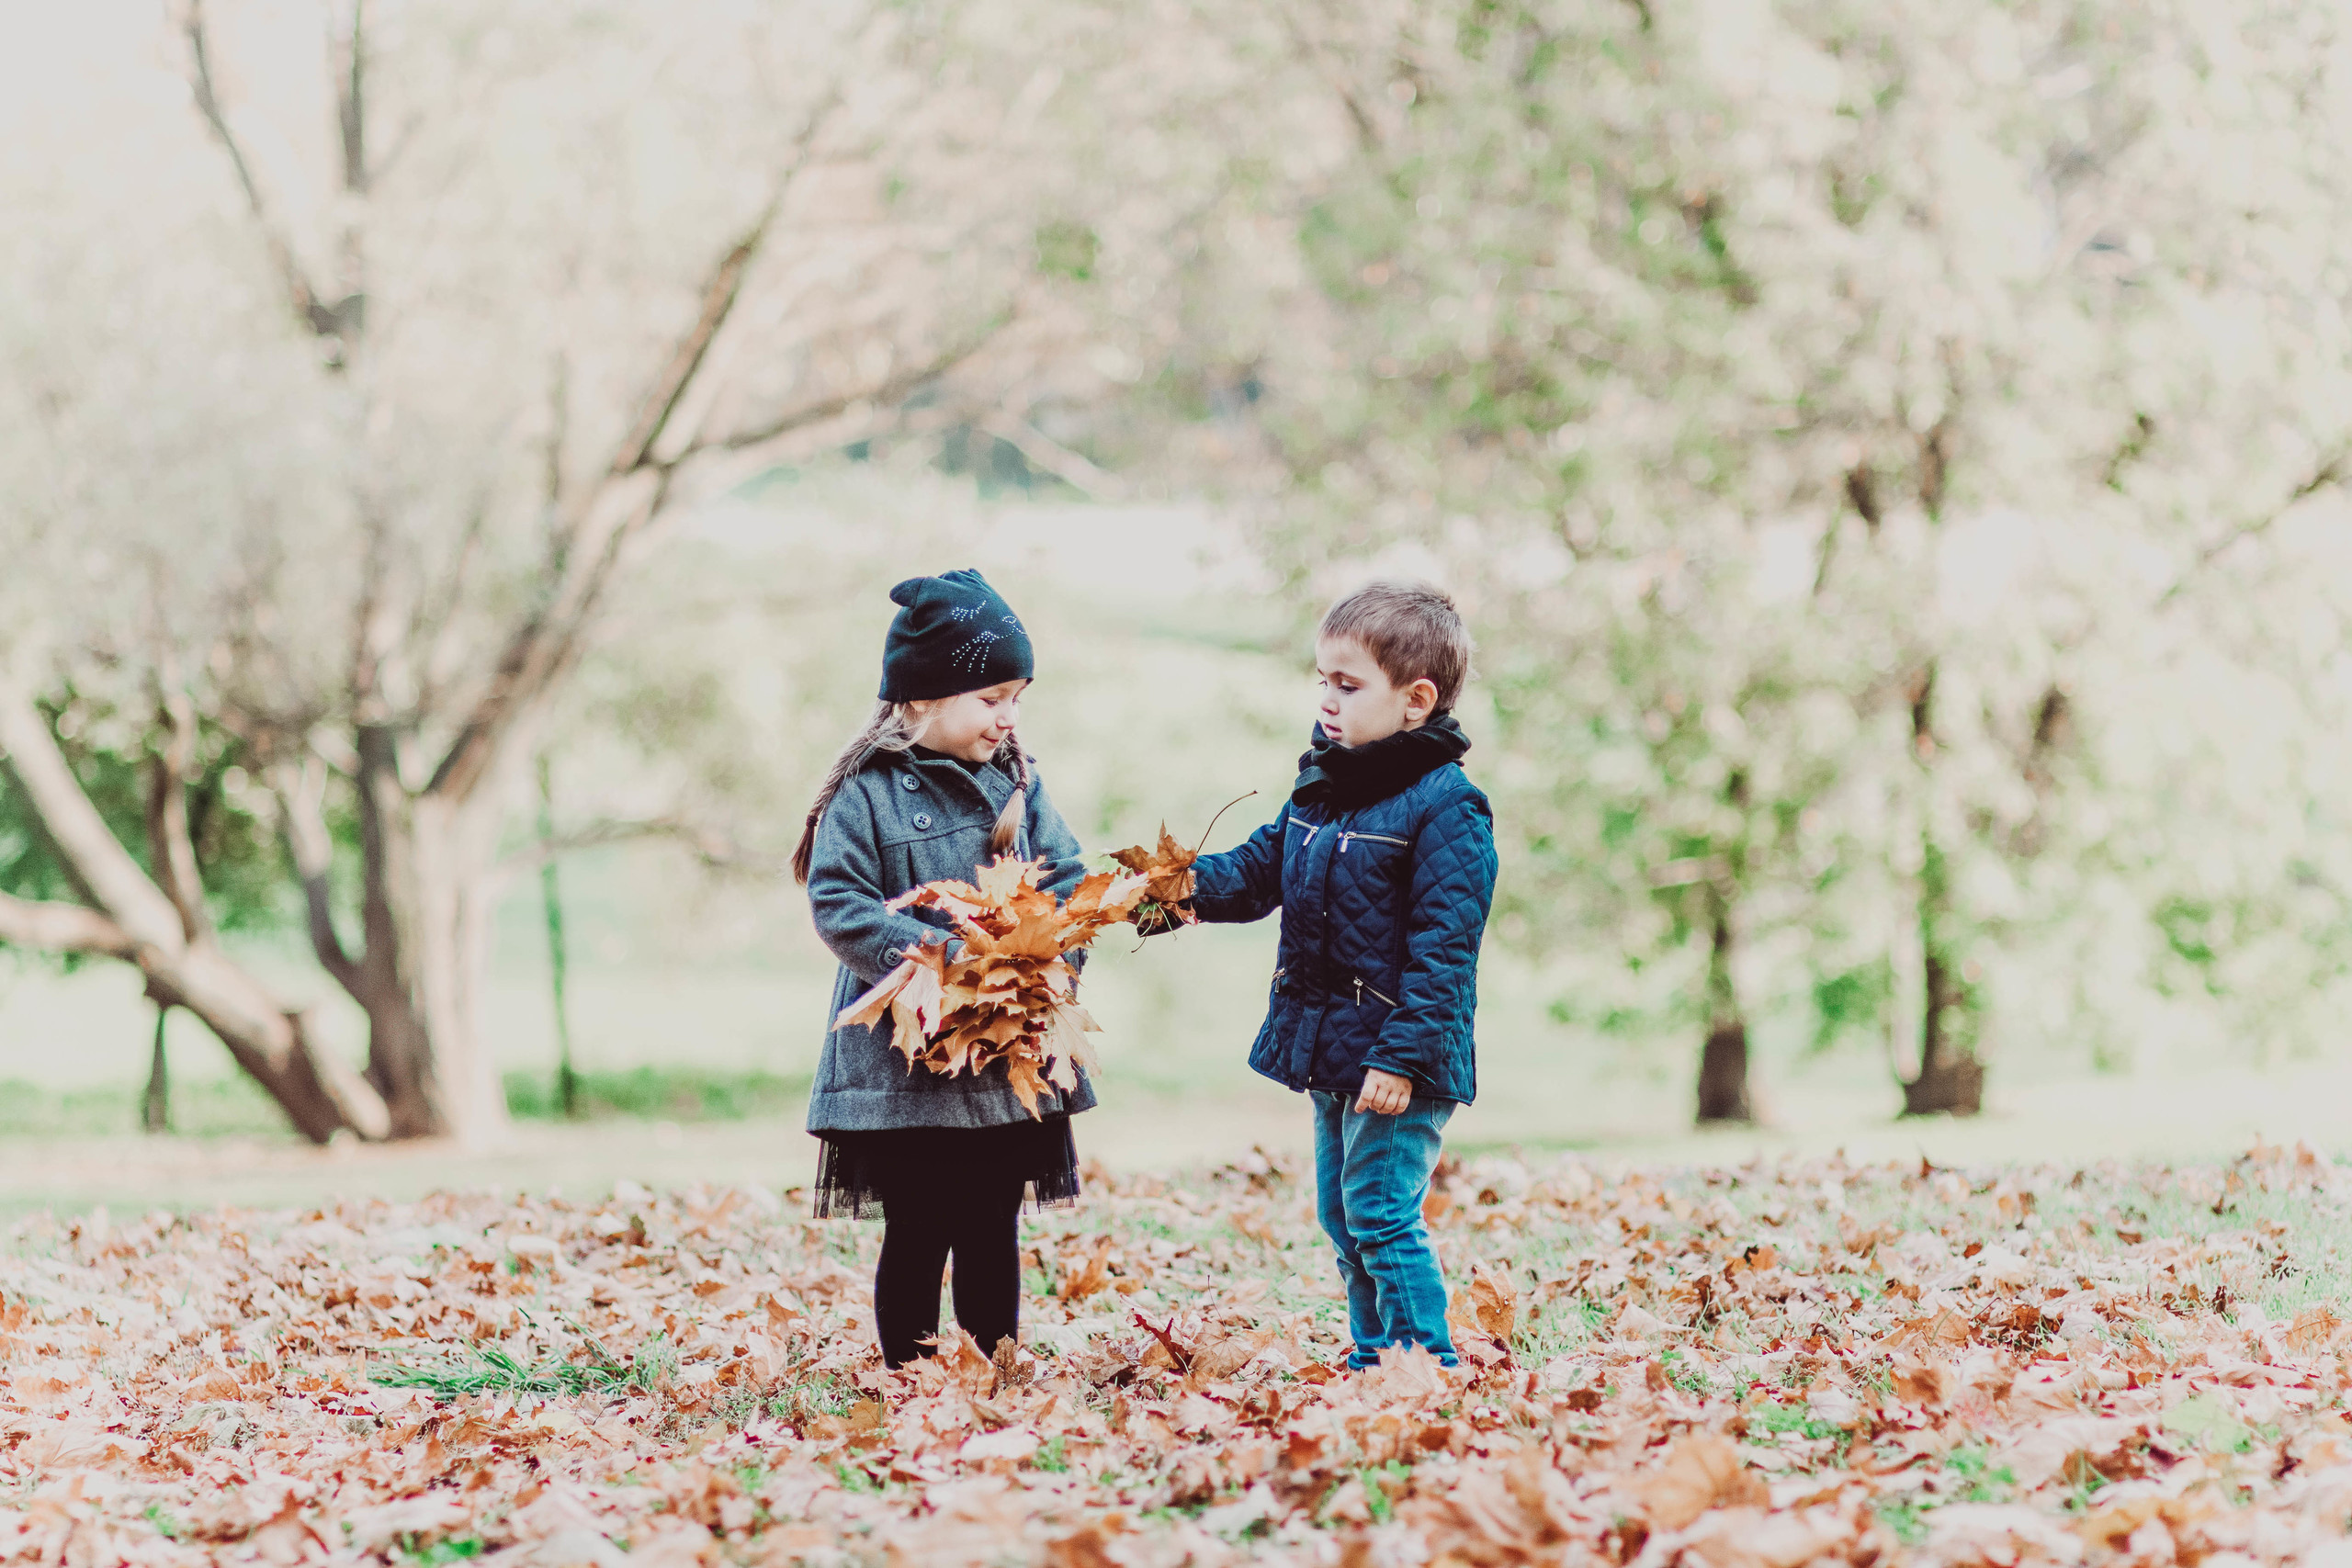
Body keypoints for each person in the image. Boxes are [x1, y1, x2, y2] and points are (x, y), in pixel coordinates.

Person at [1179, 580, 1497, 1370]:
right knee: (1341, 1214)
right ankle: (1371, 1356)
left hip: (1397, 1059)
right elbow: (1257, 872)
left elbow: (1445, 950)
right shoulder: (1322, 787)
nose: (1326, 698)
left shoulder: (1447, 807)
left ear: (1416, 700)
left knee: (1381, 1210)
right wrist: (1167, 889)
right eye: (1321, 678)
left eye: (1347, 685)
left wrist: (1400, 1056)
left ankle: (1425, 1365)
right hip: (1331, 1047)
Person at [794, 568, 1092, 1370]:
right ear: (922, 697)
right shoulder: (868, 796)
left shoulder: (1021, 784)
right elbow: (841, 903)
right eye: (991, 697)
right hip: (906, 1067)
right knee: (920, 1225)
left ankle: (994, 1367)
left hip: (1002, 1063)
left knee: (993, 1222)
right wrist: (943, 960)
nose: (1009, 716)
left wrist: (1047, 951)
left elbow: (1066, 875)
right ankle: (914, 1377)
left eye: (1017, 697)